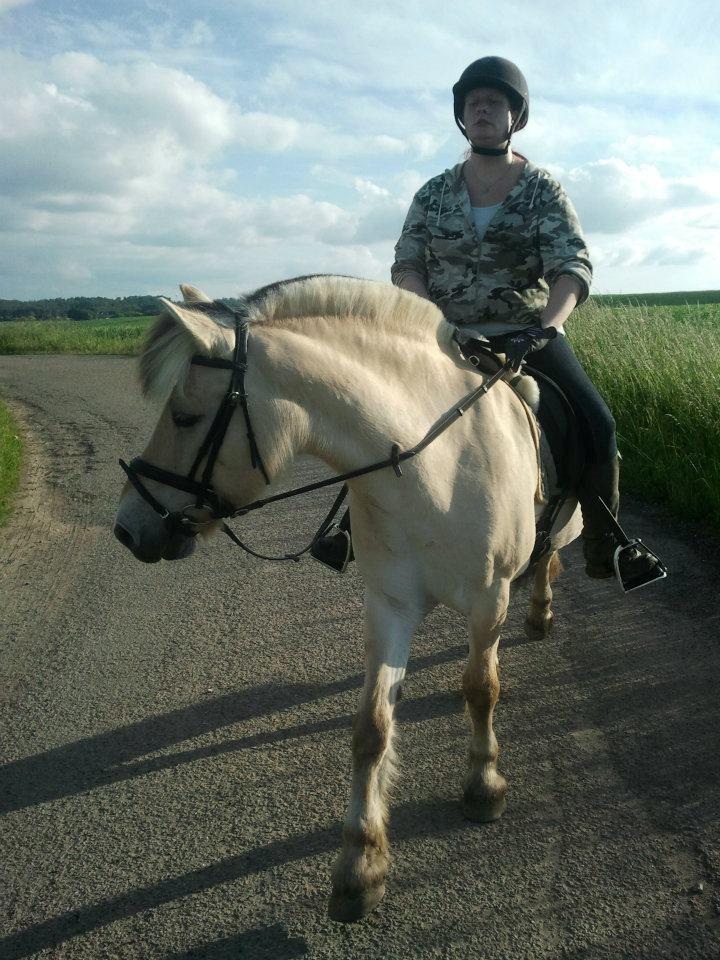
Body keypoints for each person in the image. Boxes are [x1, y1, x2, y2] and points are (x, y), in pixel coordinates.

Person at [312, 56, 664, 589]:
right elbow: (407, 263)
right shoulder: (433, 194)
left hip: (527, 331)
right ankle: (352, 531)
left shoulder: (542, 189)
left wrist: (547, 326)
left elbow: (571, 266)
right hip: (444, 335)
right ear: (461, 116)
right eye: (473, 102)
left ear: (514, 117)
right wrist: (427, 318)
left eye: (494, 102)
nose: (482, 108)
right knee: (375, 410)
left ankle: (609, 544)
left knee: (598, 422)